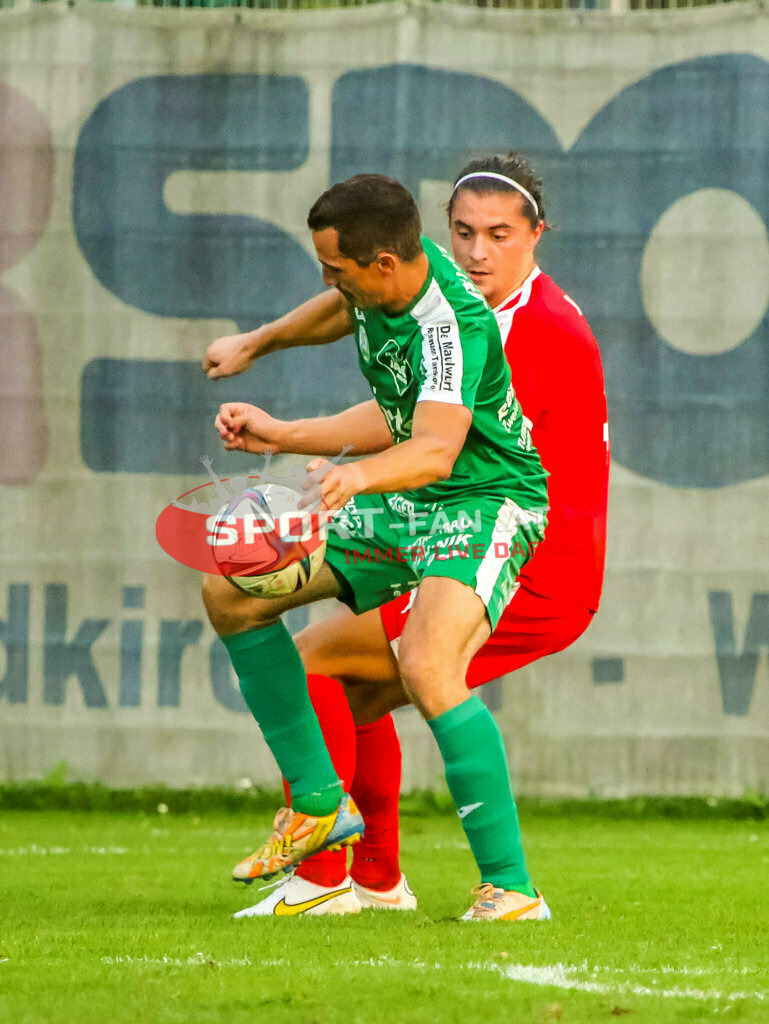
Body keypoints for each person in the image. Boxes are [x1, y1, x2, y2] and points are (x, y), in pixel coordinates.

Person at [205, 154, 609, 920]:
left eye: (498, 234)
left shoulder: (494, 324)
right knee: (232, 587)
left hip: (499, 519)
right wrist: (261, 348)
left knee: (406, 662)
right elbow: (347, 311)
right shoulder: (392, 288)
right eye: (464, 232)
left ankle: (501, 890)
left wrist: (342, 467)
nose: (477, 251)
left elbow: (431, 442)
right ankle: (346, 843)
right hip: (427, 498)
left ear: (535, 236)